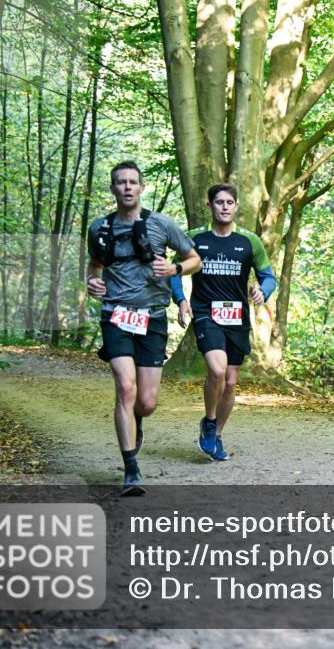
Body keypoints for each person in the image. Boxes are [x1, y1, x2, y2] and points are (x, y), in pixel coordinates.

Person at [86, 161, 201, 495]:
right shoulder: (99, 228)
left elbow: (195, 259)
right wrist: (92, 281)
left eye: (132, 182)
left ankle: (137, 420)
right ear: (113, 188)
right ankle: (131, 469)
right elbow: (95, 264)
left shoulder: (162, 224)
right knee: (125, 386)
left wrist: (175, 267)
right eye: (120, 182)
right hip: (116, 315)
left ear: (141, 188)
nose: (126, 187)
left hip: (151, 317)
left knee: (146, 401)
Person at [171, 183, 275, 462]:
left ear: (237, 206)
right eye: (219, 202)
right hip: (206, 314)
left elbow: (269, 276)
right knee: (216, 371)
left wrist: (263, 290)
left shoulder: (249, 241)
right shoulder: (194, 238)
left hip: (237, 317)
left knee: (230, 382)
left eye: (230, 202)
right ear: (209, 206)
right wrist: (181, 300)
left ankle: (215, 434)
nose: (225, 206)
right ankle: (209, 420)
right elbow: (172, 271)